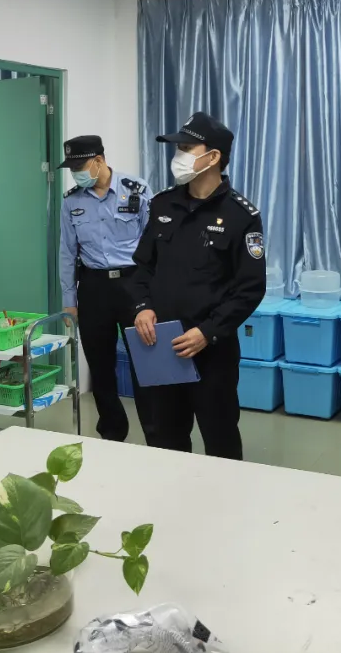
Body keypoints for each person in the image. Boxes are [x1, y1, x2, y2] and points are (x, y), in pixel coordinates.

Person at [129, 112, 266, 460]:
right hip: (161, 346)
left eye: (187, 148)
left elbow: (250, 288)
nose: (179, 156)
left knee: (220, 439)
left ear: (213, 156)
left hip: (212, 352)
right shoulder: (162, 204)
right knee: (164, 439)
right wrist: (142, 306)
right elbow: (142, 266)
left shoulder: (241, 215)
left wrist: (208, 332)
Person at [59, 135, 154, 443]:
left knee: (145, 363)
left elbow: (155, 245)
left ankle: (156, 432)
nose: (76, 174)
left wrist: (154, 296)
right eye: (72, 169)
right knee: (100, 366)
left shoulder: (136, 190)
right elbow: (66, 252)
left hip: (133, 285)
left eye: (80, 167)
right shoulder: (71, 201)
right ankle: (112, 432)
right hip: (93, 287)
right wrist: (69, 300)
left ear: (98, 161)